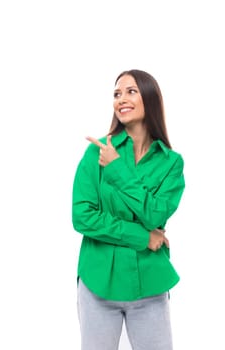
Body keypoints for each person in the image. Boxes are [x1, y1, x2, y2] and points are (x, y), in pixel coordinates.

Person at [71, 69, 186, 350]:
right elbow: (83, 217)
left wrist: (117, 169)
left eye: (130, 91)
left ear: (150, 99)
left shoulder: (171, 163)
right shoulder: (96, 152)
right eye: (116, 93)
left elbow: (156, 215)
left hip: (150, 284)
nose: (121, 99)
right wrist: (143, 237)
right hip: (98, 282)